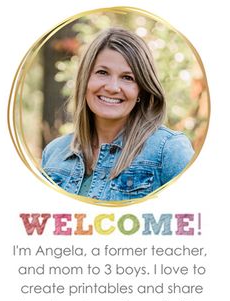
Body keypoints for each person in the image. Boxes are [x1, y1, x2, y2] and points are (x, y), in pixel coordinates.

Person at [42, 27, 194, 201]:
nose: (113, 88)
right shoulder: (54, 152)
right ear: (85, 80)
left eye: (128, 78)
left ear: (142, 90)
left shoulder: (169, 150)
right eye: (102, 72)